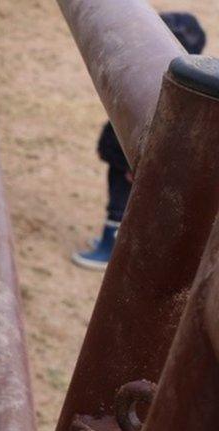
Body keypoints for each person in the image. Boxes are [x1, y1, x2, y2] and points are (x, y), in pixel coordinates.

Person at [72, 12, 206, 270]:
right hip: (123, 152)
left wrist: (132, 162)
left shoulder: (157, 88)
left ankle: (111, 247)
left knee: (121, 202)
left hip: (128, 159)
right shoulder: (163, 86)